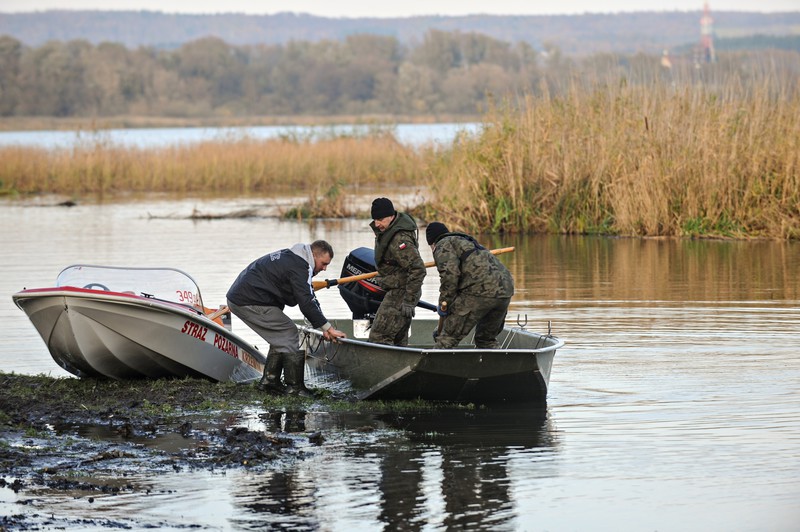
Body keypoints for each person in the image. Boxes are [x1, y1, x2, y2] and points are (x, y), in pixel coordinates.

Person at [226, 240, 346, 397]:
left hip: (243, 297)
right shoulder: (300, 267)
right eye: (324, 263)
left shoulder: (295, 258)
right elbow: (306, 302)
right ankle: (295, 388)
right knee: (289, 332)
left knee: (281, 334)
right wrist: (328, 328)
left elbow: (310, 297)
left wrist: (325, 327)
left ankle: (270, 382)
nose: (324, 269)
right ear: (314, 255)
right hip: (248, 300)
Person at [426, 222, 514, 349]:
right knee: (486, 340)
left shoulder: (442, 245)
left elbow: (450, 277)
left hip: (479, 291)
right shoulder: (467, 242)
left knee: (446, 339)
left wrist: (444, 304)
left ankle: (432, 366)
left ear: (432, 243)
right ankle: (496, 365)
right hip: (505, 290)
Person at [368, 197, 426, 346]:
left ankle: (381, 368)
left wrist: (409, 301)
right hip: (397, 290)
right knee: (399, 337)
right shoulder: (388, 230)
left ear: (391, 216)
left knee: (379, 336)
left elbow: (418, 269)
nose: (377, 224)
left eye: (380, 219)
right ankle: (404, 366)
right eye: (375, 220)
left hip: (401, 293)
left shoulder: (400, 239)